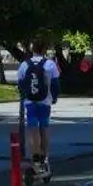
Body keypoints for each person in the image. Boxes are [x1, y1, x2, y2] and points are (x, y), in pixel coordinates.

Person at [18, 42, 61, 178]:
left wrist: (24, 97)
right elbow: (55, 84)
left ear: (32, 50)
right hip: (45, 101)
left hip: (30, 102)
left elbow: (20, 84)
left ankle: (35, 158)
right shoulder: (50, 64)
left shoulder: (25, 65)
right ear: (44, 49)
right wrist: (54, 98)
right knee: (44, 127)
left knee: (33, 129)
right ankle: (45, 158)